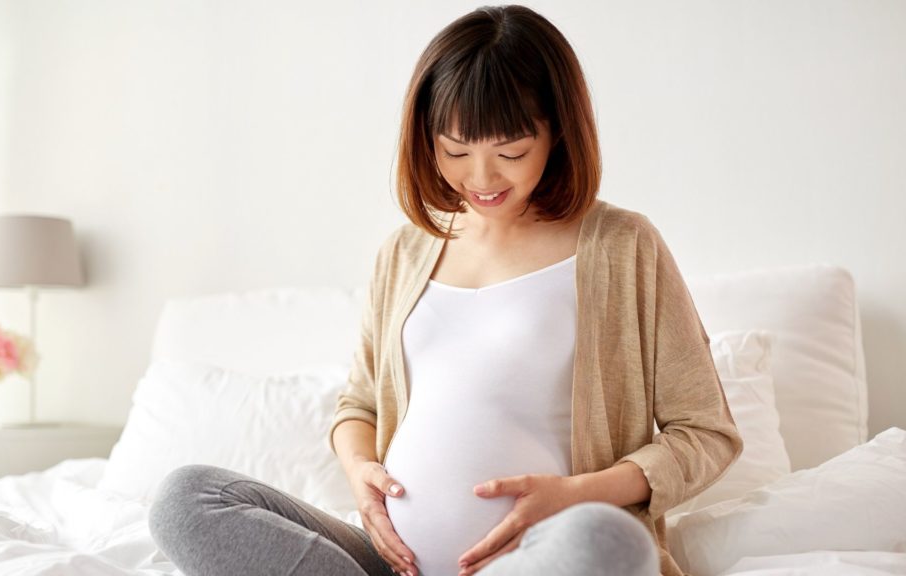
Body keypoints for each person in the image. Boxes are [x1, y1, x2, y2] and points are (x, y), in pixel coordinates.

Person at [147, 5, 743, 576]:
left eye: (510, 152)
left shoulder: (622, 245)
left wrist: (573, 495)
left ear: (557, 133)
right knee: (186, 497)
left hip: (543, 556)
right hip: (393, 563)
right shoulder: (404, 253)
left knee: (609, 541)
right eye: (455, 150)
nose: (480, 179)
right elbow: (358, 407)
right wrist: (361, 476)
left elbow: (706, 433)